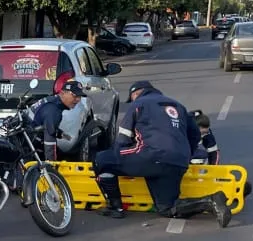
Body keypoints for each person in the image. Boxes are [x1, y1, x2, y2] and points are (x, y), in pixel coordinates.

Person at [92, 80, 231, 227]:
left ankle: (115, 207)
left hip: (150, 156)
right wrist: (185, 156)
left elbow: (122, 140)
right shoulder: (179, 106)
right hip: (177, 162)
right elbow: (195, 135)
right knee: (167, 208)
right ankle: (210, 201)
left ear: (136, 94)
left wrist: (122, 160)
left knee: (103, 159)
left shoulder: (139, 104)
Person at [30, 80, 85, 161]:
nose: (78, 100)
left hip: (27, 137)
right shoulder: (53, 110)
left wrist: (62, 134)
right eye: (74, 95)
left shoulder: (52, 101)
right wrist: (52, 166)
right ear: (62, 93)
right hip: (27, 146)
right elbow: (49, 142)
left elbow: (46, 125)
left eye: (80, 96)